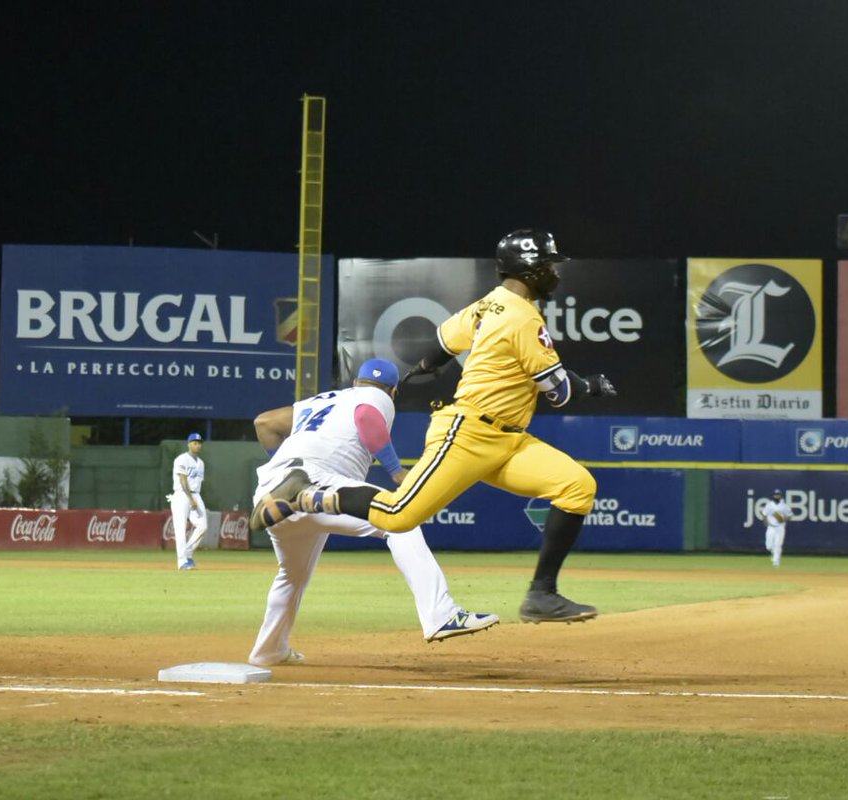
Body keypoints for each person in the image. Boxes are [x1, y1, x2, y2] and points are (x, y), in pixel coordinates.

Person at [252, 229, 616, 624]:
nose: (556, 274)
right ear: (530, 270)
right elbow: (559, 392)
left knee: (577, 486)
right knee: (398, 516)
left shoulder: (488, 306)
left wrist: (427, 365)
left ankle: (542, 595)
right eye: (549, 265)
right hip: (469, 433)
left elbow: (445, 340)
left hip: (509, 440)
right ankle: (306, 495)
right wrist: (592, 385)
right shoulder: (524, 317)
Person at [248, 358, 498, 667]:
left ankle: (269, 650)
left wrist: (287, 462)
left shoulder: (324, 400)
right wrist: (395, 471)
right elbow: (367, 417)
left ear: (356, 381)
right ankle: (440, 614)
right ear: (393, 391)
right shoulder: (377, 397)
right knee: (399, 518)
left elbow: (265, 423)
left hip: (273, 487)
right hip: (319, 478)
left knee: (292, 575)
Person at [169, 433, 208, 571]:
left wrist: (194, 498)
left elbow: (197, 482)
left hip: (196, 494)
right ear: (189, 444)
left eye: (199, 443)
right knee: (180, 529)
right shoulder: (182, 459)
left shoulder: (201, 463)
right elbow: (183, 480)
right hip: (181, 495)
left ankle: (188, 553)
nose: (197, 445)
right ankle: (182, 562)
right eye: (195, 442)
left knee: (203, 526)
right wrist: (190, 499)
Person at [762, 489, 792, 568]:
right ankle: (773, 552)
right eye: (775, 495)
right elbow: (764, 515)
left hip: (780, 527)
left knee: (778, 545)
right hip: (771, 527)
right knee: (768, 546)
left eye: (778, 495)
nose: (777, 496)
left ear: (781, 496)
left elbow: (790, 516)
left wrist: (783, 519)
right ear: (773, 496)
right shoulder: (769, 505)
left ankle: (776, 561)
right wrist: (766, 523)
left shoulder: (784, 506)